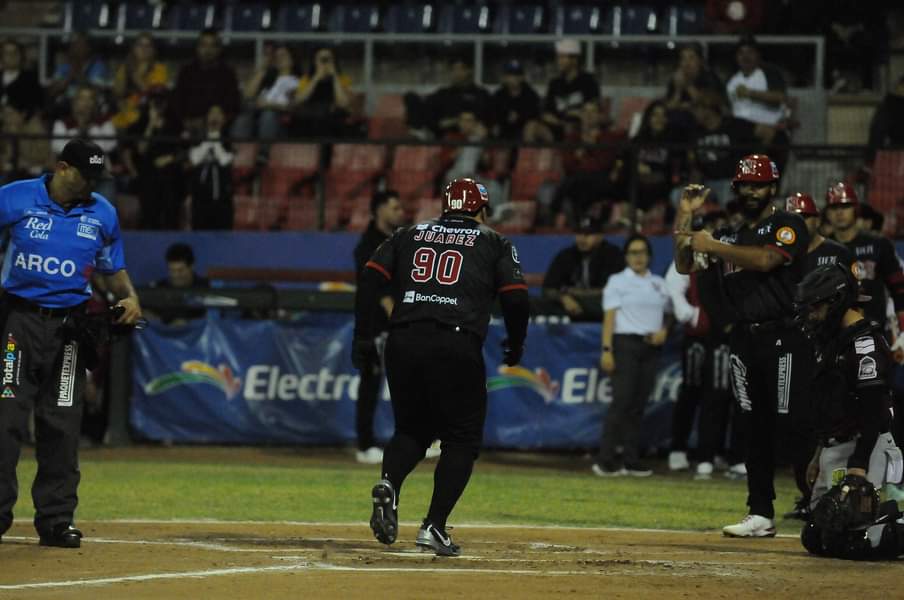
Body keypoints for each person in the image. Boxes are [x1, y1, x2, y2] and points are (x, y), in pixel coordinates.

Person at [353, 177, 529, 556]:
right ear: (482, 211)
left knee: (412, 429)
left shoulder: (409, 232)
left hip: (402, 340)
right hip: (455, 341)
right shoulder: (495, 241)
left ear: (446, 208)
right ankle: (434, 525)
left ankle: (390, 484)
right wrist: (516, 344)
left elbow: (369, 279)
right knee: (461, 438)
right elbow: (515, 299)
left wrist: (363, 338)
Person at [0, 139, 143, 548]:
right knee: (4, 421)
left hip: (70, 330)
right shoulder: (14, 197)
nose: (92, 185)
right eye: (86, 175)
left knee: (62, 424)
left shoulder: (103, 212)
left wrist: (129, 297)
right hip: (18, 324)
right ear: (62, 168)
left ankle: (57, 519)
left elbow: (113, 267)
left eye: (98, 177)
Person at [675, 154, 810, 538]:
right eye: (746, 185)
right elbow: (686, 264)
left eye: (759, 184)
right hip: (744, 338)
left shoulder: (788, 224)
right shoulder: (730, 234)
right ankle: (761, 512)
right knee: (753, 427)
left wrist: (713, 245)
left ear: (773, 187)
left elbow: (768, 260)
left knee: (793, 424)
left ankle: (818, 501)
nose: (752, 191)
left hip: (785, 336)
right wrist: (685, 216)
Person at [795, 264, 904, 560]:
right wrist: (819, 453)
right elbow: (829, 406)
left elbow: (874, 411)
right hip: (836, 444)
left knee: (856, 542)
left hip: (864, 446)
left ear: (837, 301)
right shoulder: (835, 342)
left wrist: (859, 466)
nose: (812, 315)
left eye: (816, 307)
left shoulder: (865, 345)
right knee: (817, 537)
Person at [780, 192, 856, 520]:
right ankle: (807, 495)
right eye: (792, 218)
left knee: (832, 419)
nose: (799, 224)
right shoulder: (782, 256)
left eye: (805, 217)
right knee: (795, 423)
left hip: (829, 348)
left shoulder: (836, 253)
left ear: (816, 220)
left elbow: (856, 296)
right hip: (793, 348)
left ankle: (833, 495)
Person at [666, 209, 742, 479]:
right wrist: (692, 315)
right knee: (695, 392)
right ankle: (683, 448)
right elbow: (673, 288)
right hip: (701, 336)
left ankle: (719, 452)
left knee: (728, 395)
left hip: (725, 333)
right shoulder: (693, 256)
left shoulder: (730, 256)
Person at [594, 234, 671, 477]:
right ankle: (605, 459)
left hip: (650, 347)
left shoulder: (659, 283)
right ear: (626, 257)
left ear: (649, 255)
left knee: (638, 405)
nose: (638, 257)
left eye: (642, 252)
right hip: (625, 344)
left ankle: (630, 458)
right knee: (622, 402)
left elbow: (670, 312)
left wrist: (664, 330)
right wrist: (607, 350)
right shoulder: (617, 282)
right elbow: (609, 318)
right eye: (633, 253)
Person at [352, 190, 404, 464]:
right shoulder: (368, 246)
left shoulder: (397, 241)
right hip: (374, 324)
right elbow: (379, 291)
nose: (400, 212)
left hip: (394, 322)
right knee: (371, 381)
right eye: (394, 207)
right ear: (379, 210)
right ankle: (365, 444)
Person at [825, 182, 904, 337]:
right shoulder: (822, 248)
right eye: (834, 208)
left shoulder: (878, 244)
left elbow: (899, 288)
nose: (839, 212)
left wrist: (903, 328)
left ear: (856, 209)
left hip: (874, 332)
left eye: (845, 206)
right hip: (832, 336)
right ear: (827, 213)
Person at [688, 90, 776, 205]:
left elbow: (768, 132)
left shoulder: (733, 125)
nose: (694, 113)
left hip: (730, 181)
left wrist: (754, 164)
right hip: (707, 182)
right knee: (679, 196)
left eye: (697, 109)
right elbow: (696, 167)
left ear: (708, 109)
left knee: (727, 196)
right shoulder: (696, 133)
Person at [121, 86, 186, 230]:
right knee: (149, 184)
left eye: (161, 100)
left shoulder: (175, 123)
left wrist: (170, 159)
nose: (158, 104)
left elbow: (183, 151)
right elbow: (141, 149)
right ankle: (150, 228)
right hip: (146, 172)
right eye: (155, 100)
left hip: (171, 171)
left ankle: (170, 229)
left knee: (170, 181)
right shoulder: (141, 124)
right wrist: (150, 125)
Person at [541, 215, 624, 321]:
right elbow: (548, 288)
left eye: (588, 234)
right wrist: (563, 298)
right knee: (534, 304)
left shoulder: (613, 254)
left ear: (600, 236)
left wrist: (575, 293)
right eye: (579, 233)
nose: (582, 238)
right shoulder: (566, 255)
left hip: (600, 305)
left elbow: (613, 291)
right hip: (570, 304)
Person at [232, 44, 299, 165]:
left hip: (280, 125)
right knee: (243, 118)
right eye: (276, 56)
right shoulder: (268, 79)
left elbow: (293, 106)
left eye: (283, 56)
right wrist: (263, 69)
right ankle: (236, 154)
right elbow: (247, 95)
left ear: (292, 59)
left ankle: (263, 153)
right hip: (257, 120)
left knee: (268, 115)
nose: (279, 59)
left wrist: (269, 105)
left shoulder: (297, 81)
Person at [525, 39, 600, 142]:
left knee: (585, 121)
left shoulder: (588, 81)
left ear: (574, 59)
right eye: (558, 57)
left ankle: (583, 154)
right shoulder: (555, 83)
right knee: (531, 126)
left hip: (579, 127)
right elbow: (546, 112)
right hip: (558, 126)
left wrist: (575, 114)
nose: (558, 61)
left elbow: (591, 108)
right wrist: (560, 123)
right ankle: (529, 157)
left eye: (562, 57)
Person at [172, 29, 241, 135]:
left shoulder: (227, 73)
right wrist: (187, 121)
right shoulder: (186, 72)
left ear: (219, 49)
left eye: (213, 46)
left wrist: (221, 115)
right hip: (189, 125)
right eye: (204, 45)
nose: (208, 50)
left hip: (220, 125)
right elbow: (178, 101)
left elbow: (233, 103)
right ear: (197, 48)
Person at [725, 35, 788, 128]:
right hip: (739, 131)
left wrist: (750, 93)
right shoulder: (731, 78)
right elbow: (727, 107)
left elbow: (781, 97)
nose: (745, 57)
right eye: (741, 53)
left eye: (750, 52)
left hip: (768, 127)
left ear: (758, 54)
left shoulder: (769, 72)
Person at [188, 105, 234, 230]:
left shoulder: (228, 140)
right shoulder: (198, 139)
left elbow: (225, 160)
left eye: (218, 114)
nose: (215, 117)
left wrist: (216, 140)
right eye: (211, 114)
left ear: (223, 120)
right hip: (201, 196)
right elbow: (195, 159)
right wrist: (209, 140)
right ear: (206, 119)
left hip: (222, 195)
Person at [111, 33, 169, 131]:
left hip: (147, 118)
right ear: (133, 48)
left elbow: (155, 97)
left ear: (153, 50)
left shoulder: (159, 69)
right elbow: (117, 93)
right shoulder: (125, 67)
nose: (144, 49)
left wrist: (137, 77)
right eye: (140, 45)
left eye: (148, 46)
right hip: (123, 116)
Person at [291, 47, 353, 138]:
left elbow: (343, 103)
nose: (325, 63)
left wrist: (334, 76)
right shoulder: (306, 80)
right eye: (321, 59)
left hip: (333, 119)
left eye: (328, 59)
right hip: (310, 119)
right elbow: (298, 100)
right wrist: (316, 78)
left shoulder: (342, 79)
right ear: (315, 61)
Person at [47, 32, 112, 118]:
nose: (77, 48)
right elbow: (52, 92)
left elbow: (98, 91)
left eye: (80, 45)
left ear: (88, 48)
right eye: (74, 45)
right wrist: (70, 76)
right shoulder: (63, 67)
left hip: (90, 105)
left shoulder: (98, 67)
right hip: (67, 105)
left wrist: (79, 74)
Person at [149, 243, 210, 325]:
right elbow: (146, 316)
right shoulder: (159, 288)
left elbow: (211, 319)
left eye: (180, 270)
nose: (175, 275)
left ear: (192, 266)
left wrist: (187, 324)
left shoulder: (206, 288)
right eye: (172, 270)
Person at [490, 59, 541, 141]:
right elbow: (493, 114)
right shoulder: (499, 94)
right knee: (495, 129)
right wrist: (504, 118)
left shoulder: (530, 94)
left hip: (523, 128)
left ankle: (527, 153)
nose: (514, 78)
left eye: (517, 75)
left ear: (522, 77)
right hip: (505, 128)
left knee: (531, 126)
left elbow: (535, 115)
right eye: (511, 75)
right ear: (505, 77)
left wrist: (519, 116)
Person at [865, 74, 904, 165]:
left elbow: (877, 133)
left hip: (895, 154)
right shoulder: (890, 105)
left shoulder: (890, 105)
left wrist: (871, 160)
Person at [0, 40, 44, 119]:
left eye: (15, 52)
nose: (12, 56)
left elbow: (36, 105)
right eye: (7, 53)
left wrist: (21, 115)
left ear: (21, 56)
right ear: (1, 56)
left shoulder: (30, 79)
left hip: (20, 123)